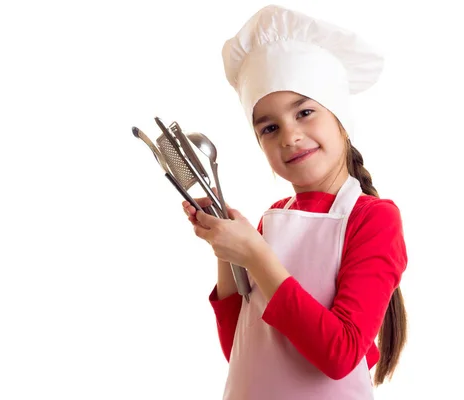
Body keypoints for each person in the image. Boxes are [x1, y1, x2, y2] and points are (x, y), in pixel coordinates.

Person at [181, 4, 408, 399]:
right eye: (269, 128)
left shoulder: (373, 219)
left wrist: (254, 254)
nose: (289, 136)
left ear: (340, 118)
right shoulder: (271, 223)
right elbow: (242, 351)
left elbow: (339, 355)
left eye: (304, 112)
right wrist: (226, 248)